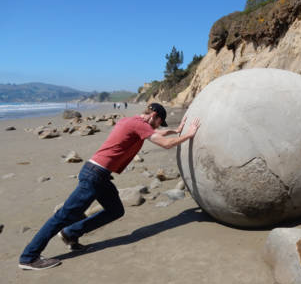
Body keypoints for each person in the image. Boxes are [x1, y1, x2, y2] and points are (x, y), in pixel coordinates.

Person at [18, 103, 200, 270]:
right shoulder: (140, 125)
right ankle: (29, 257)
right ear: (154, 115)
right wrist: (188, 135)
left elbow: (158, 133)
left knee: (115, 210)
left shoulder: (133, 121)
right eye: (159, 122)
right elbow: (165, 143)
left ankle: (71, 233)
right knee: (63, 215)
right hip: (94, 176)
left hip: (99, 175)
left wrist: (176, 130)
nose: (159, 126)